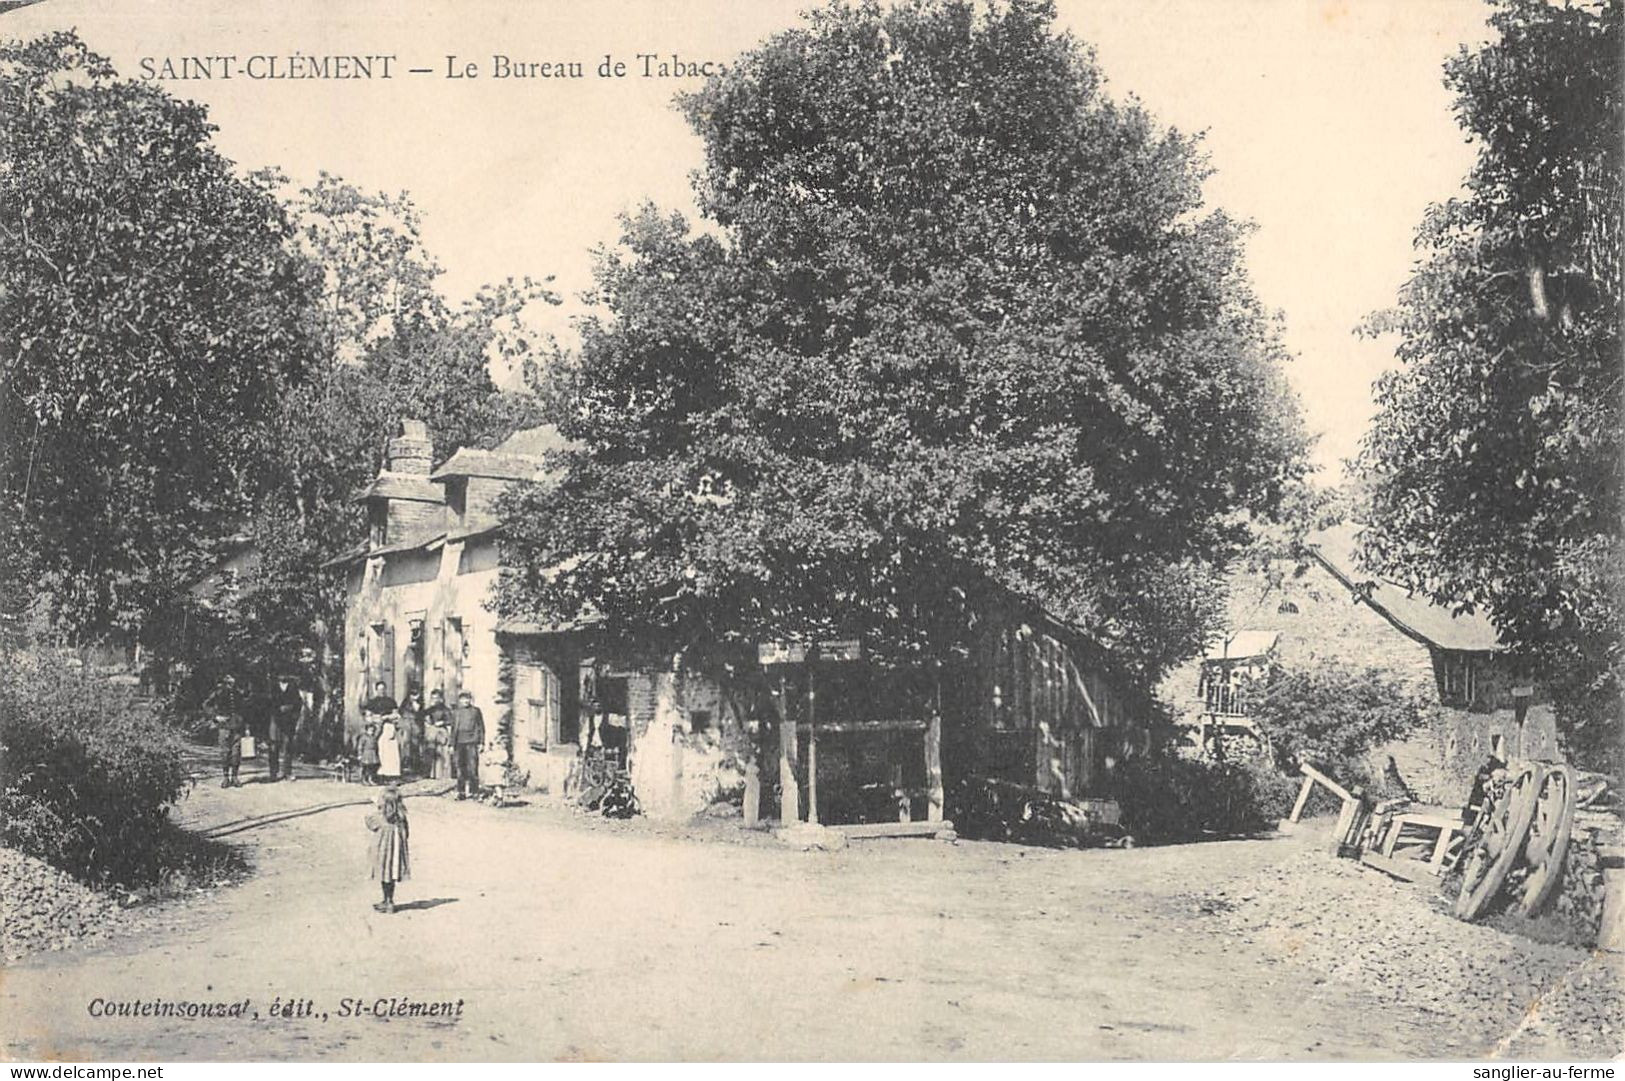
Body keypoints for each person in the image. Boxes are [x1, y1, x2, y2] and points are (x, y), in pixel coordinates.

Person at [365, 784, 410, 914]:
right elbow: (407, 834)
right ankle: (389, 901)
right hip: (396, 854)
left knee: (385, 875)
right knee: (392, 876)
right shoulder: (401, 818)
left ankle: (387, 901)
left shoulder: (380, 817)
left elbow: (369, 823)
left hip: (383, 852)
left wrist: (377, 807)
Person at [204, 674, 245, 788]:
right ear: (225, 680)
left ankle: (235, 777)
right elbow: (206, 705)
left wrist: (245, 726)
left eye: (233, 678)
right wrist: (215, 717)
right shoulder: (218, 692)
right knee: (225, 752)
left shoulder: (238, 693)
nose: (231, 681)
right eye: (228, 678)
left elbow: (245, 709)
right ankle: (226, 777)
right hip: (224, 726)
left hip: (237, 726)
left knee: (236, 752)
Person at [265, 672, 303, 783]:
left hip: (289, 721)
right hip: (275, 720)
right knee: (273, 746)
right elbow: (267, 704)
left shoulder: (293, 687)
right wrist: (276, 711)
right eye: (280, 673)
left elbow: (298, 703)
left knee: (288, 746)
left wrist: (291, 711)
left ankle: (287, 772)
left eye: (284, 673)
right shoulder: (272, 687)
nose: (282, 676)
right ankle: (273, 772)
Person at [450, 690, 485, 800]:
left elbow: (481, 728)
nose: (465, 701)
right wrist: (451, 744)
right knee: (460, 768)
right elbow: (453, 729)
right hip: (459, 743)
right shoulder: (456, 712)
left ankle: (474, 792)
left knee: (473, 768)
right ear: (460, 700)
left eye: (467, 699)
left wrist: (481, 742)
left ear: (470, 700)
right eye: (463, 699)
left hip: (472, 742)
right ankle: (461, 792)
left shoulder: (475, 711)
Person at [422, 689, 454, 780]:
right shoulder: (430, 709)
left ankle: (445, 775)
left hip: (442, 732)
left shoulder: (446, 710)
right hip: (432, 732)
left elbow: (450, 722)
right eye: (433, 698)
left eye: (437, 698)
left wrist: (442, 722)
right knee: (432, 752)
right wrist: (427, 722)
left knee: (444, 753)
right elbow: (422, 716)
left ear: (441, 699)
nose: (435, 700)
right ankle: (433, 774)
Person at [398, 690, 423, 776]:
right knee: (406, 746)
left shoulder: (419, 703)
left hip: (415, 727)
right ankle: (405, 767)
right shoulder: (405, 703)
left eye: (416, 694)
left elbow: (419, 714)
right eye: (412, 694)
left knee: (415, 747)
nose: (413, 697)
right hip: (406, 726)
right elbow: (400, 713)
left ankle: (415, 769)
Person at [377, 711, 402, 782]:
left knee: (391, 761)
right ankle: (387, 777)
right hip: (388, 745)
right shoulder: (388, 726)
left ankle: (390, 777)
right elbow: (390, 735)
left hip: (391, 745)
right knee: (388, 761)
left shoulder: (392, 726)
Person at [355, 720, 381, 786]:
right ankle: (364, 780)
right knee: (366, 767)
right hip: (366, 754)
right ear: (367, 730)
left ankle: (370, 779)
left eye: (373, 730)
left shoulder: (374, 737)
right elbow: (360, 746)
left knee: (373, 768)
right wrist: (360, 754)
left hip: (373, 754)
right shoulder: (364, 737)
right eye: (370, 730)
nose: (371, 731)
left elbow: (379, 732)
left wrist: (379, 724)